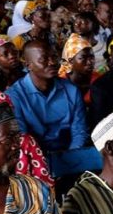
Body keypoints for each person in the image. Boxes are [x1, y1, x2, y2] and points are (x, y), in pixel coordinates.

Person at [6, 40, 101, 180]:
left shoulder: (71, 90)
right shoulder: (14, 96)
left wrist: (70, 160)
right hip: (35, 159)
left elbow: (79, 131)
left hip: (71, 153)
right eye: (44, 59)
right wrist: (43, 165)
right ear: (28, 65)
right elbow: (23, 139)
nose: (51, 62)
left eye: (54, 57)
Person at [58, 33, 99, 106]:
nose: (89, 62)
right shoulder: (60, 85)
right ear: (71, 61)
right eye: (83, 58)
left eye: (91, 57)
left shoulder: (98, 79)